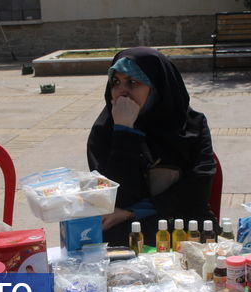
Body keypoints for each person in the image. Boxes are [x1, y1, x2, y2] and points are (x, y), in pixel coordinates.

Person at [87, 47, 218, 247]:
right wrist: (124, 132)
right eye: (116, 82)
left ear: (158, 87)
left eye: (133, 82)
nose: (122, 92)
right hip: (128, 231)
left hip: (182, 225)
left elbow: (197, 191)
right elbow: (114, 197)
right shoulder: (105, 130)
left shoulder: (191, 125)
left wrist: (132, 211)